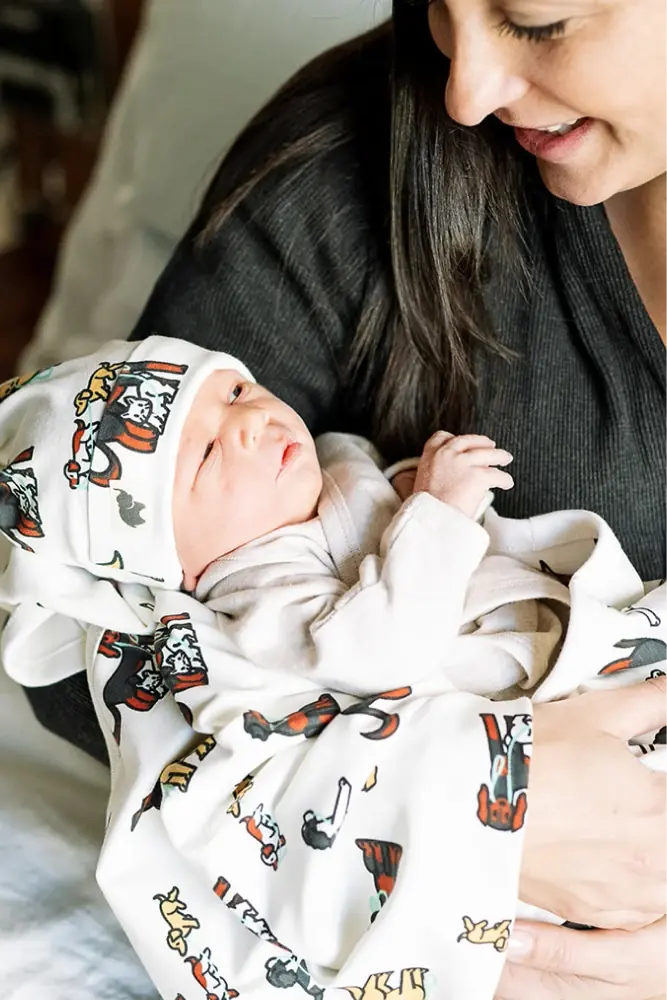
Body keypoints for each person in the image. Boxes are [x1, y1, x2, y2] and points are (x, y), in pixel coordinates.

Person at [16, 2, 667, 997]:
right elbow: (91, 646)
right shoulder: (340, 174)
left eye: (536, 21)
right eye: (440, 9)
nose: (466, 90)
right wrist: (456, 807)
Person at [2, 334, 667, 1000]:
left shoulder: (329, 461)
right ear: (177, 567)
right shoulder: (254, 592)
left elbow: (370, 518)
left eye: (233, 390)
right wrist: (436, 511)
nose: (248, 422)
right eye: (204, 454)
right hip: (495, 751)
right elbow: (380, 652)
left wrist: (406, 486)